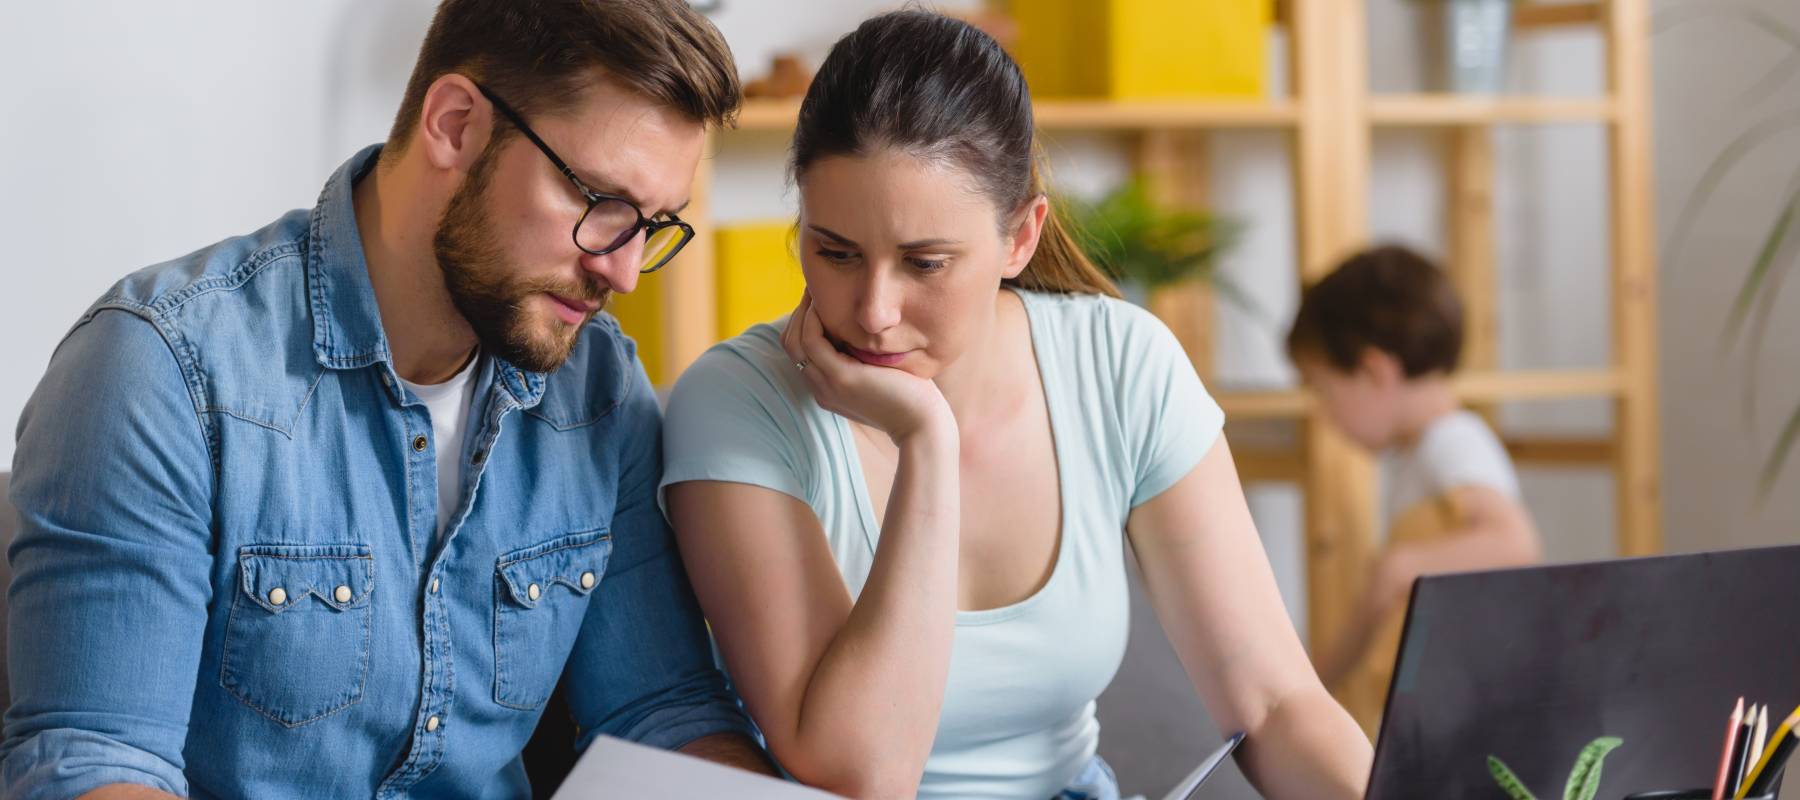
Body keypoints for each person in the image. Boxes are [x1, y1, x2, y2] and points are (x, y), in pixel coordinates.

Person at [0, 1, 771, 797]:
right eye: (601, 204)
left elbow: (660, 715)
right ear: (455, 124)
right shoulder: (161, 371)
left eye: (653, 224)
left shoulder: (599, 391)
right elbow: (97, 761)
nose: (624, 272)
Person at [660, 11, 1374, 799]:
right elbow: (857, 774)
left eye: (924, 262)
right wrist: (927, 442)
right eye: (835, 252)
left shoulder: (1120, 364)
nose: (873, 310)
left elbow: (1276, 704)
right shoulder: (735, 405)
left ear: (1021, 237)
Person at [1287, 245, 1542, 714]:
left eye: (1324, 392)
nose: (1325, 415)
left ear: (1373, 371)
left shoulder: (1452, 441)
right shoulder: (1418, 453)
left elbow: (1513, 540)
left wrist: (1400, 566)